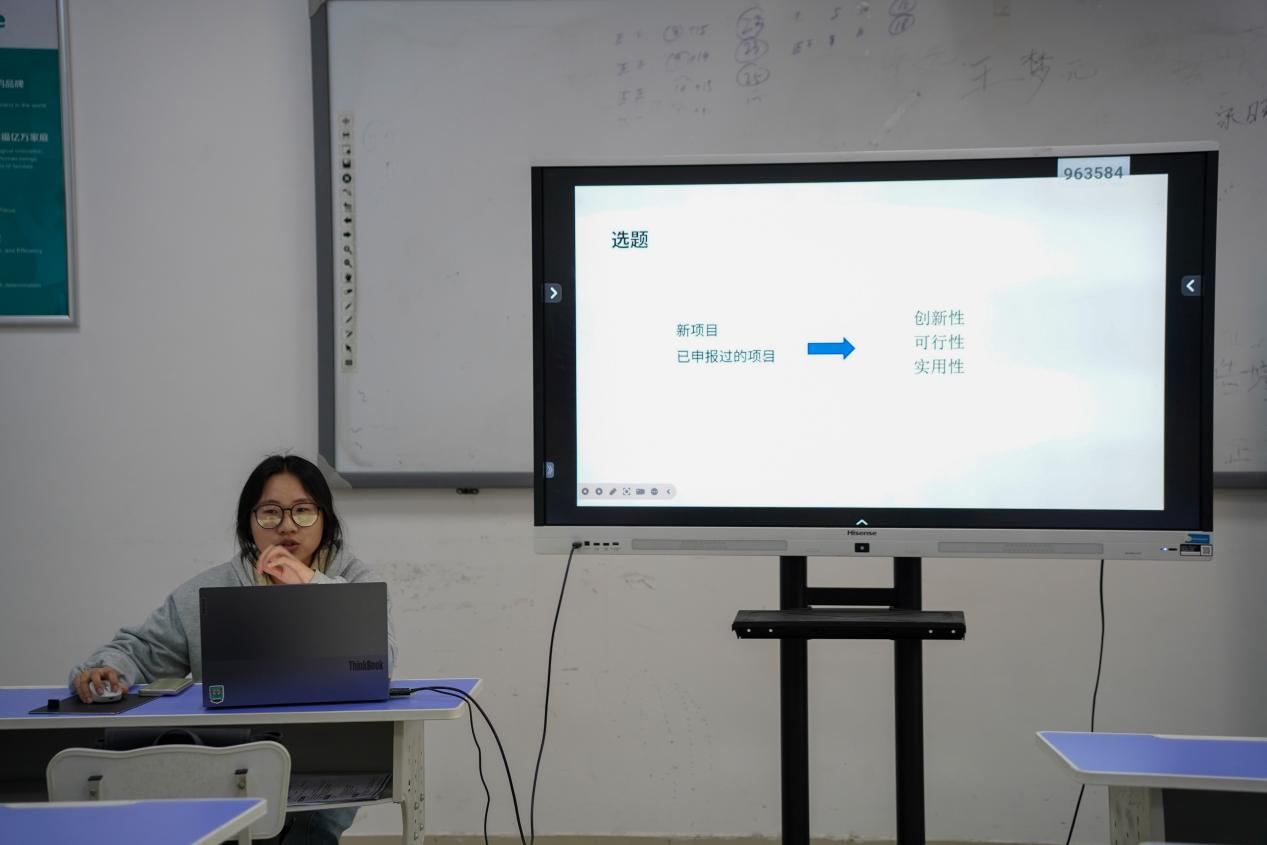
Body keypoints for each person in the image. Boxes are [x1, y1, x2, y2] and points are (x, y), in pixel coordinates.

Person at [69, 453, 397, 844]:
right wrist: (106, 668)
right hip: (232, 757)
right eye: (270, 513)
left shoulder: (356, 581)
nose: (287, 525)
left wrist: (308, 583)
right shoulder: (212, 589)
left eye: (303, 511)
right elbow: (141, 649)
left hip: (330, 755)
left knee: (316, 831)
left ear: (324, 519)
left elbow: (382, 660)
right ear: (248, 523)